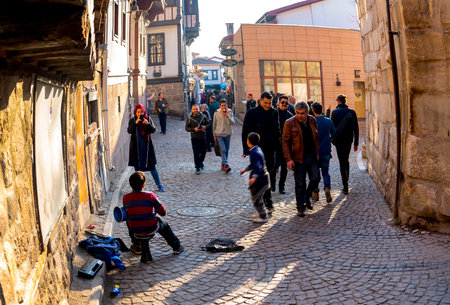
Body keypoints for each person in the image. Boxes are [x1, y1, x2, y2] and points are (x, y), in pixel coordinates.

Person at [123, 171, 184, 263]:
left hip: (135, 229)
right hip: (151, 227)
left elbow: (128, 212)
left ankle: (137, 247)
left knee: (130, 220)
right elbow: (163, 212)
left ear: (130, 184)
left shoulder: (126, 198)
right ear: (143, 185)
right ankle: (177, 247)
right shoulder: (150, 196)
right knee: (164, 225)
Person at [242, 92, 280, 213]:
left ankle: (267, 200)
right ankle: (263, 200)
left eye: (270, 103)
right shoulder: (251, 113)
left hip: (270, 149)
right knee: (259, 175)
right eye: (265, 103)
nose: (268, 105)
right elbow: (245, 132)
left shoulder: (274, 112)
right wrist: (246, 149)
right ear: (260, 101)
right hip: (257, 150)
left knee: (269, 173)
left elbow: (277, 129)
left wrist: (278, 146)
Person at [282, 101, 320, 217]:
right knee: (300, 183)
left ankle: (307, 197)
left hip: (312, 157)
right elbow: (285, 141)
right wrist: (288, 159)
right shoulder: (289, 123)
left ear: (307, 113)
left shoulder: (312, 120)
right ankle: (300, 207)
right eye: (297, 113)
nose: (299, 115)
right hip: (298, 158)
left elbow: (316, 138)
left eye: (302, 113)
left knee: (316, 179)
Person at [127, 104, 165, 192]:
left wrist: (148, 124)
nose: (140, 113)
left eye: (141, 112)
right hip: (136, 148)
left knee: (152, 166)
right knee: (137, 168)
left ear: (144, 112)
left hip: (147, 147)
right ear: (135, 113)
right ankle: (137, 187)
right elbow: (129, 131)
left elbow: (153, 130)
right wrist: (136, 124)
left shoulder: (148, 119)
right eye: (138, 112)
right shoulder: (132, 121)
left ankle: (159, 185)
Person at [331, 94, 359, 195]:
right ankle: (346, 181)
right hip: (348, 140)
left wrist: (332, 139)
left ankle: (345, 186)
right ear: (344, 101)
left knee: (341, 161)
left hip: (338, 141)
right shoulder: (352, 112)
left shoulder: (334, 112)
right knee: (346, 159)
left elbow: (332, 127)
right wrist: (356, 143)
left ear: (338, 101)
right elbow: (356, 128)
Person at [240, 133, 271, 223]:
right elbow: (254, 164)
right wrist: (245, 170)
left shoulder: (254, 153)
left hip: (260, 180)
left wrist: (254, 177)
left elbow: (258, 166)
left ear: (248, 141)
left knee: (256, 198)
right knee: (259, 197)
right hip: (264, 177)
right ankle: (262, 214)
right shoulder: (257, 149)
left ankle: (263, 216)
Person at [311, 102, 336, 203]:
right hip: (326, 151)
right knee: (325, 172)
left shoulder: (311, 122)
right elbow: (334, 132)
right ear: (322, 110)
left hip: (314, 153)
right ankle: (327, 188)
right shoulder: (328, 121)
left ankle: (316, 192)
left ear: (313, 111)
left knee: (315, 174)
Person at [274, 95, 294, 194]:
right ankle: (272, 185)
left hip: (285, 145)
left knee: (284, 168)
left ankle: (282, 186)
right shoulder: (273, 113)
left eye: (286, 103)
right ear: (279, 103)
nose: (285, 104)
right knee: (272, 167)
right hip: (274, 144)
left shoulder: (290, 116)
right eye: (283, 102)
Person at [185, 104, 210, 175]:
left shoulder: (203, 116)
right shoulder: (189, 118)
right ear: (192, 110)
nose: (195, 110)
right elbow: (186, 128)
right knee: (196, 152)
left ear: (199, 109)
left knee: (203, 151)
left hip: (202, 136)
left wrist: (205, 127)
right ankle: (197, 167)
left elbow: (209, 124)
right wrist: (194, 129)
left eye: (197, 109)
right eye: (194, 109)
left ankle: (201, 161)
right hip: (194, 137)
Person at [213, 99, 235, 173]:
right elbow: (214, 124)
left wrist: (227, 116)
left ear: (227, 105)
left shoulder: (230, 112)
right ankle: (226, 165)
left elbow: (233, 123)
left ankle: (223, 165)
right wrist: (214, 135)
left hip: (228, 133)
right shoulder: (216, 113)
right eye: (222, 105)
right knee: (223, 149)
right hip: (219, 134)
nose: (223, 107)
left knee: (226, 150)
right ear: (220, 106)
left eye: (225, 105)